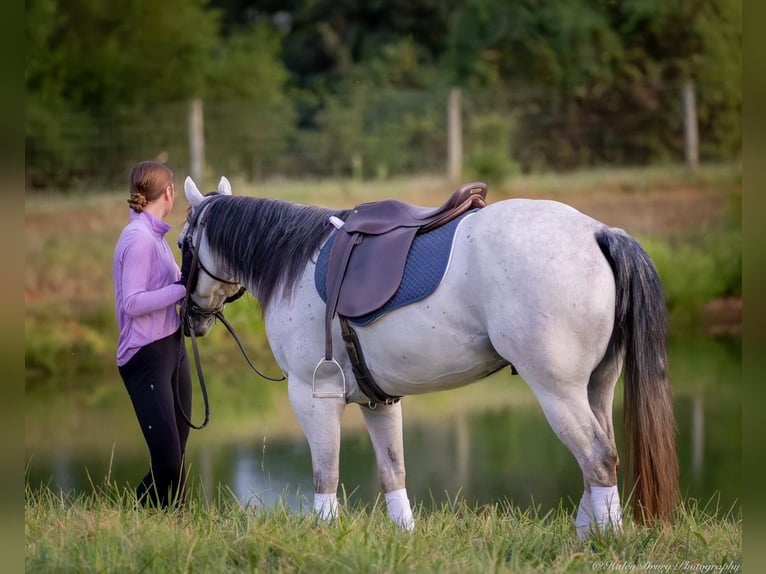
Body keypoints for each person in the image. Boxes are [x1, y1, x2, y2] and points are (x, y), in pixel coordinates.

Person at [112, 160, 191, 508]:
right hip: (145, 356)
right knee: (169, 461)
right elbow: (132, 303)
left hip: (172, 347)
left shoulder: (157, 238)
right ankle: (142, 512)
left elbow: (178, 283)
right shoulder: (139, 240)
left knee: (175, 454)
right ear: (169, 192)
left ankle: (164, 520)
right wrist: (184, 290)